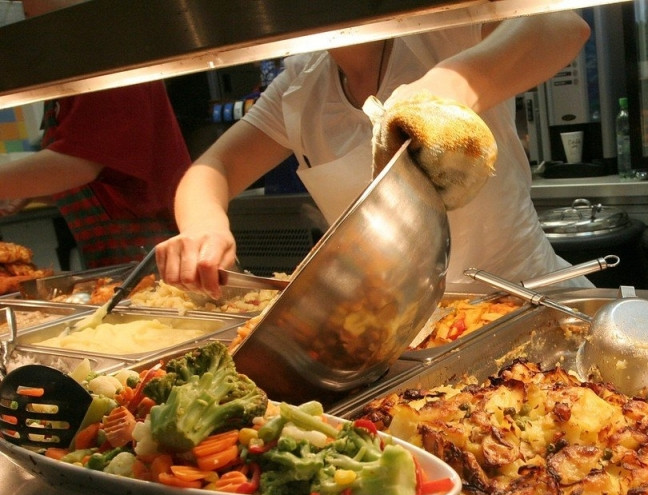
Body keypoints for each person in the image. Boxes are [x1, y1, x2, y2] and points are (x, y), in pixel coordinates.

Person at [156, 13, 593, 297]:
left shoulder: (443, 28)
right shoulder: (301, 86)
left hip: (528, 296)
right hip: (410, 332)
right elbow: (214, 168)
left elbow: (563, 27)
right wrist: (203, 229)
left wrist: (453, 86)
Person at [0, 0, 191, 269]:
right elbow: (102, 174)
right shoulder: (68, 64)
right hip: (118, 259)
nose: (21, 10)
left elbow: (79, 163)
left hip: (161, 254)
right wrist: (31, 190)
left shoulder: (103, 50)